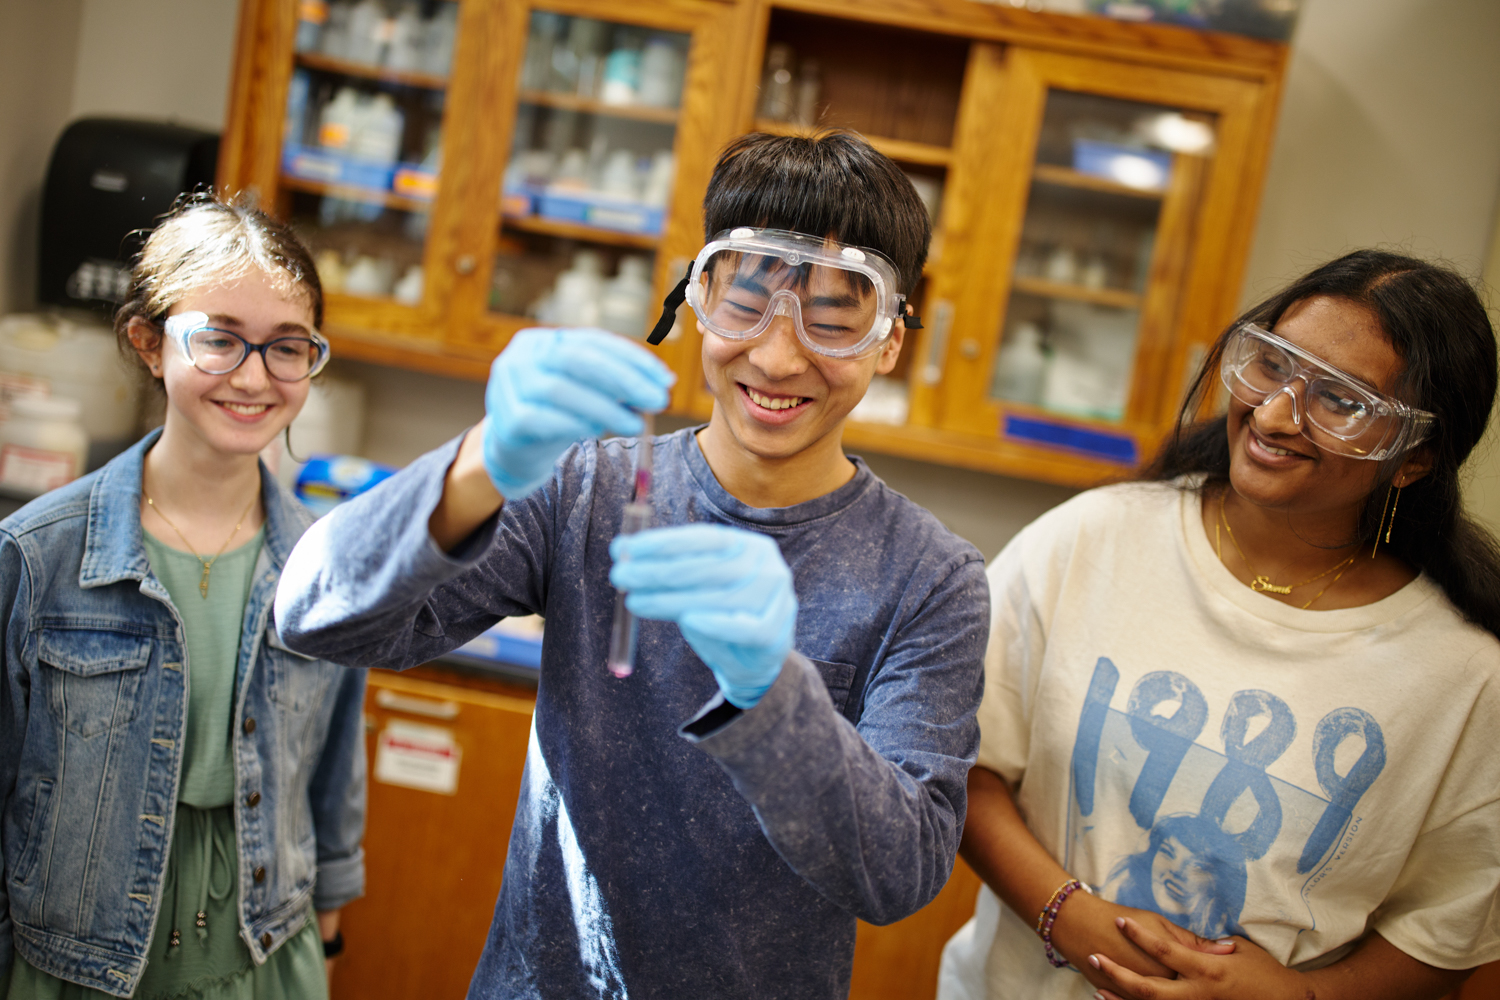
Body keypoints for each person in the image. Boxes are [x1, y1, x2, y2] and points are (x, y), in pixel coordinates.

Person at [274, 130, 989, 998]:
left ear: (891, 339)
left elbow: (902, 873)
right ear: (694, 298)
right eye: (746, 300)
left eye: (836, 316)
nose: (776, 354)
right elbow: (315, 615)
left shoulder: (932, 579)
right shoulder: (586, 488)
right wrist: (483, 462)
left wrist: (774, 697)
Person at [938, 250, 1500, 1000]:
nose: (1273, 414)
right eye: (1271, 364)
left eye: (1341, 401)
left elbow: (1447, 930)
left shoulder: (1464, 678)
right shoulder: (1094, 539)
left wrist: (1301, 998)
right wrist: (1061, 912)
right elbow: (960, 759)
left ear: (1416, 457)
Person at [0, 195, 367, 999]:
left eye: (286, 348)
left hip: (266, 963)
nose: (254, 376)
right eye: (220, 339)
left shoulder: (327, 562)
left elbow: (333, 771)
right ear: (148, 341)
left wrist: (328, 940)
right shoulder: (38, 555)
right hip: (71, 969)